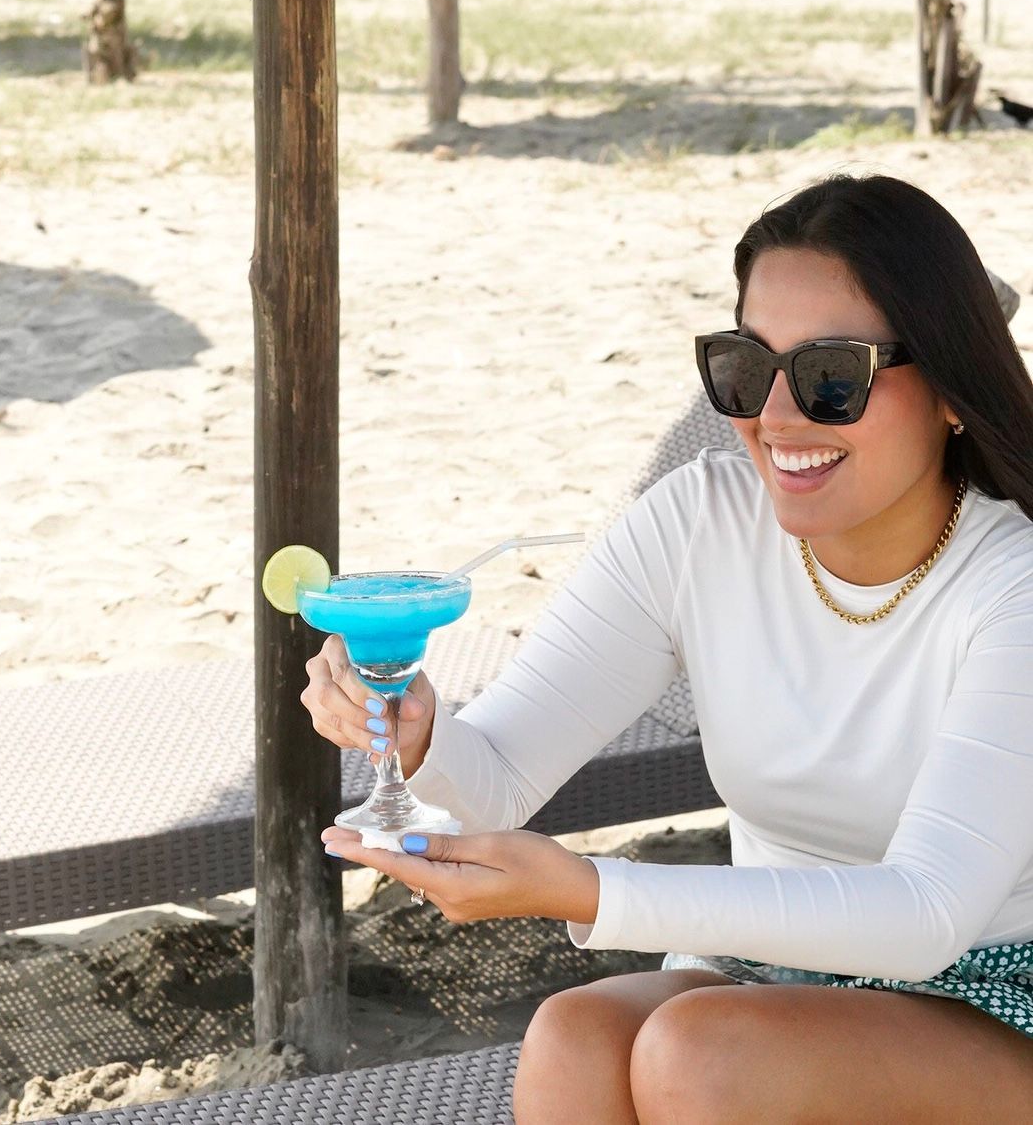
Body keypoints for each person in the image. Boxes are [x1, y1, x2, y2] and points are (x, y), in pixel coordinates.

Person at [303, 173, 1033, 1123]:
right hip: (780, 967)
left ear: (949, 390)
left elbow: (928, 913)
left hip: (995, 987)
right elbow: (500, 778)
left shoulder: (1012, 586)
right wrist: (415, 738)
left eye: (832, 377)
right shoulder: (701, 520)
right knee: (574, 1039)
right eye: (745, 366)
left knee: (703, 1054)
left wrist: (591, 889)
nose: (774, 416)